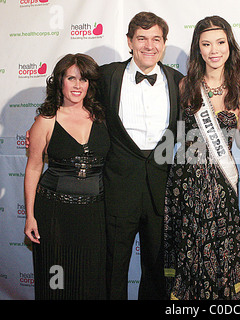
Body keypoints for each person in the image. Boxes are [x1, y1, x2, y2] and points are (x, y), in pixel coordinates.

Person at [163, 15, 240, 300]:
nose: (214, 50)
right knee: (188, 256)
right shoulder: (184, 86)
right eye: (206, 44)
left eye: (220, 42)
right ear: (198, 49)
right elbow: (171, 137)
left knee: (220, 256)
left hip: (222, 187)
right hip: (185, 185)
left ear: (230, 45)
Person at [99, 12, 183, 300]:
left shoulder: (178, 81)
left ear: (164, 43)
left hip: (162, 191)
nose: (149, 45)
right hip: (118, 189)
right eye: (142, 38)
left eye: (156, 39)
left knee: (158, 270)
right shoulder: (106, 76)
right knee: (113, 267)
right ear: (129, 42)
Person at [24, 53, 109, 299]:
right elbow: (33, 167)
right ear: (60, 81)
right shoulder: (46, 121)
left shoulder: (102, 117)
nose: (77, 85)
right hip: (54, 216)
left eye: (83, 79)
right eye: (71, 78)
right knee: (56, 281)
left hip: (94, 215)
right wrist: (30, 216)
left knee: (90, 281)